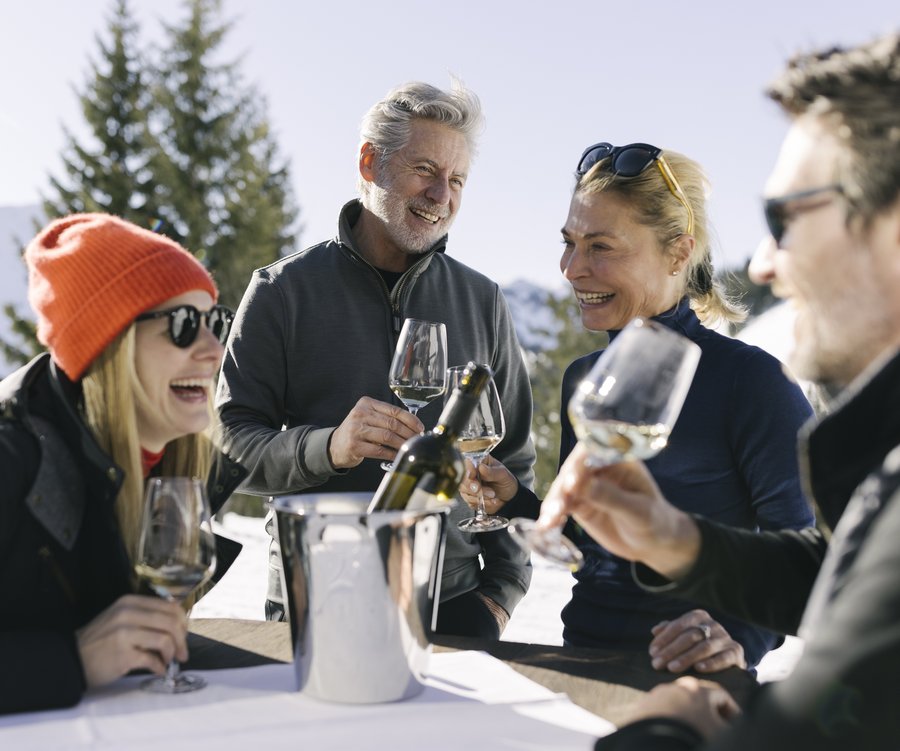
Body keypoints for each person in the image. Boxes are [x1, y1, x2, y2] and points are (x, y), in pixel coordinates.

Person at [540, 32, 900, 750]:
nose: (762, 263)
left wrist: (677, 716)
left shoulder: (751, 380)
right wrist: (681, 542)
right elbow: (838, 574)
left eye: (784, 221)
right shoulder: (885, 465)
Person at [470, 141, 815, 670]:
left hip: (692, 685)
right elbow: (591, 538)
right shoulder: (586, 379)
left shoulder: (753, 382)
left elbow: (804, 560)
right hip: (581, 661)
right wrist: (517, 502)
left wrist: (738, 637)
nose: (572, 268)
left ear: (679, 251)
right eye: (569, 243)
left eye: (600, 247)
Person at [216, 80, 536, 638]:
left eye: (456, 179)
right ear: (370, 162)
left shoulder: (482, 300)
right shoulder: (281, 291)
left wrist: (501, 594)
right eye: (425, 169)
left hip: (453, 604)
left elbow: (513, 459)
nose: (442, 194)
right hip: (311, 597)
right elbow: (225, 447)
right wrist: (328, 448)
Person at [0, 213, 242, 714]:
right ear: (109, 345)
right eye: (182, 326)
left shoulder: (171, 467)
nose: (214, 350)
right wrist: (74, 659)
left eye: (215, 321)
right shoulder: (12, 457)